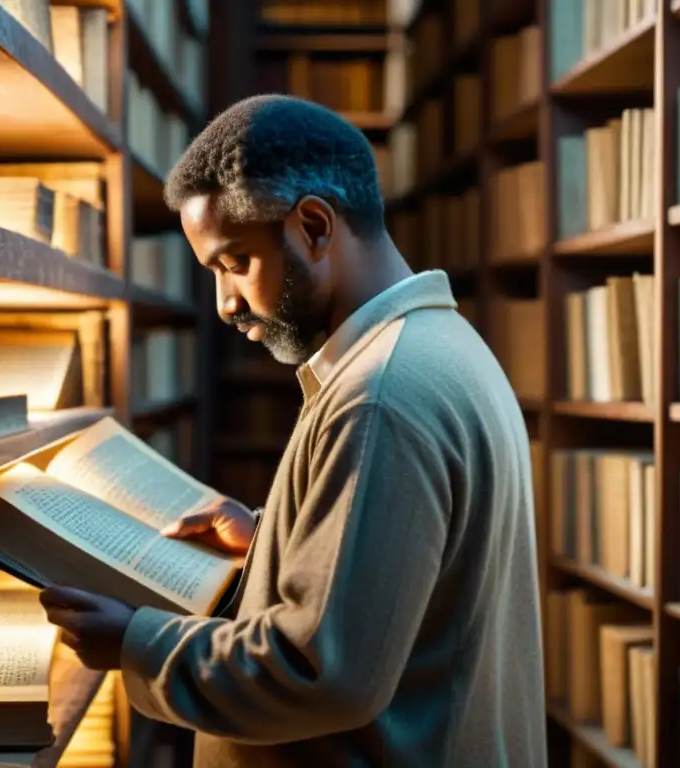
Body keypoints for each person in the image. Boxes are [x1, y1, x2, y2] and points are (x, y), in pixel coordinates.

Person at [40, 94, 547, 767]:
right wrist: (274, 541)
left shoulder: (380, 396)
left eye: (233, 264)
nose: (225, 304)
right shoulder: (439, 344)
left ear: (313, 226)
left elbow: (323, 673)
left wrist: (135, 642)